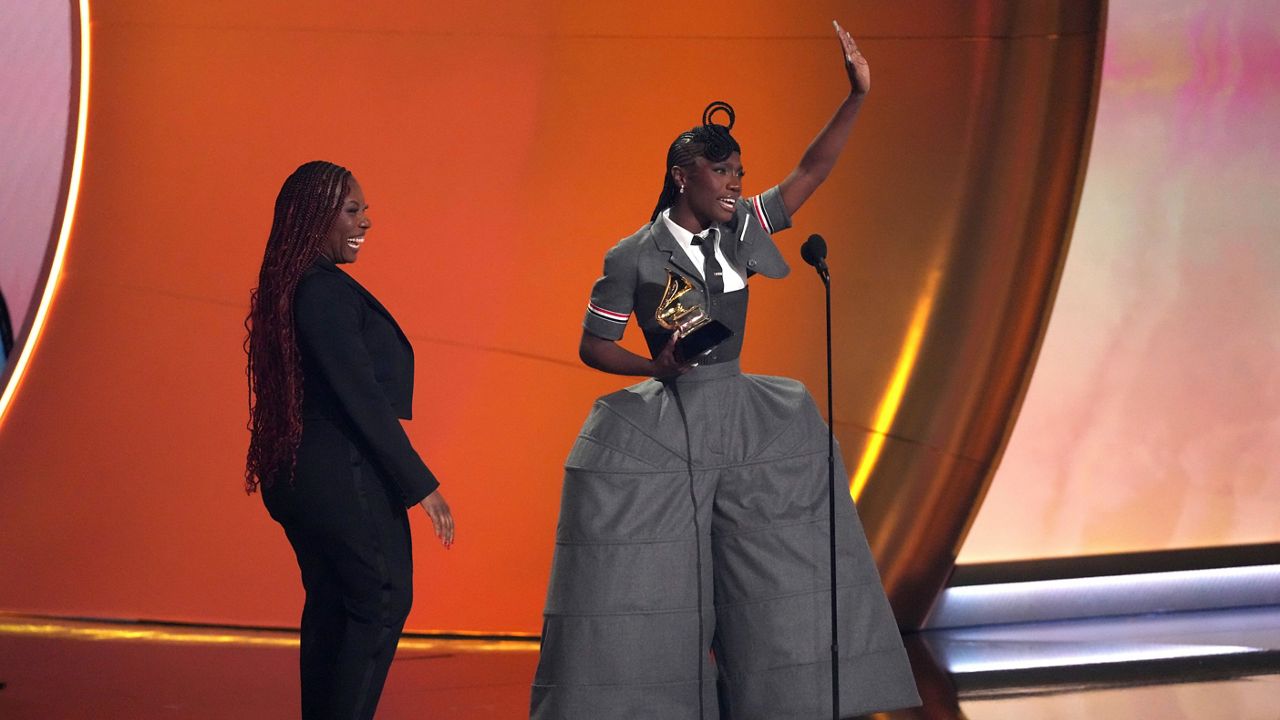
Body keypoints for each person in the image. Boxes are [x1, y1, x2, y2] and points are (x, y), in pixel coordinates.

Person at [531, 23, 919, 719]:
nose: (737, 182)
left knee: (773, 580)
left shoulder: (742, 230)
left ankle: (785, 697)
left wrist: (856, 97)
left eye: (740, 170)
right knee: (661, 587)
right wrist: (655, 364)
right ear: (684, 176)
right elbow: (593, 346)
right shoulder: (632, 256)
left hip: (745, 421)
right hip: (672, 422)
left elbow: (811, 172)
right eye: (723, 171)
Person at [244, 160, 455, 720]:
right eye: (352, 209)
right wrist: (420, 485)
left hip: (299, 473)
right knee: (381, 600)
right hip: (340, 471)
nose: (366, 221)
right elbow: (362, 399)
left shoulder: (292, 285)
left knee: (335, 606)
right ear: (316, 216)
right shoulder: (324, 292)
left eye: (365, 209)